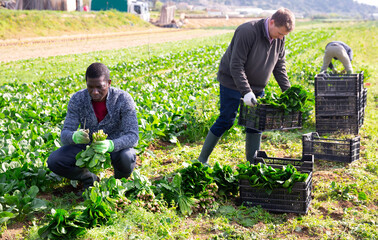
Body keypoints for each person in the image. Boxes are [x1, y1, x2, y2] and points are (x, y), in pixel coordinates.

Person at [198, 8, 295, 164]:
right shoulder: (247, 31)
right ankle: (202, 159)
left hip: (257, 87)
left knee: (256, 123)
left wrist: (289, 92)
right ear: (272, 22)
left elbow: (279, 67)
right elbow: (236, 65)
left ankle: (252, 161)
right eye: (280, 33)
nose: (281, 37)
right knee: (226, 120)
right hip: (232, 82)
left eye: (284, 35)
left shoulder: (279, 38)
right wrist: (246, 92)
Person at [47, 62, 139, 192]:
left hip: (115, 146)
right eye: (90, 87)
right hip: (88, 146)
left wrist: (111, 145)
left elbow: (133, 136)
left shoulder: (123, 99)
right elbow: (65, 134)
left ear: (109, 83)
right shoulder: (77, 99)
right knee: (55, 160)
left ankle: (119, 183)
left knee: (127, 156)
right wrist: (74, 136)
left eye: (99, 87)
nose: (94, 92)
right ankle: (89, 179)